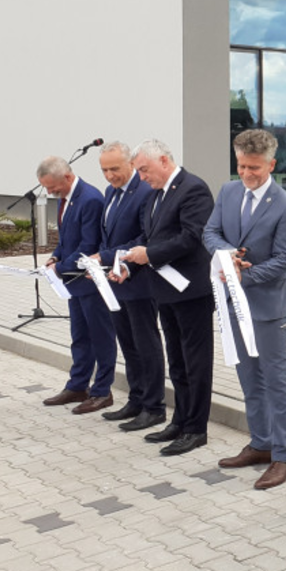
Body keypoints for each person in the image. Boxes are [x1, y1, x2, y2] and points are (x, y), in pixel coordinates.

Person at [204, 129, 286, 490]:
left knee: (276, 380)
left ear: (271, 165)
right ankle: (261, 444)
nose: (246, 173)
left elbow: (285, 259)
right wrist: (227, 255)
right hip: (232, 303)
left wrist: (245, 276)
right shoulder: (228, 191)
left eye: (254, 168)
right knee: (248, 377)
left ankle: (284, 456)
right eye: (242, 166)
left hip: (267, 307)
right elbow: (210, 232)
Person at [115, 139, 214, 457]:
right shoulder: (155, 194)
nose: (142, 177)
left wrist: (150, 255)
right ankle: (180, 420)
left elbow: (191, 237)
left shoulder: (193, 189)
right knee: (177, 361)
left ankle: (196, 428)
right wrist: (129, 265)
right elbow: (148, 237)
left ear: (163, 160)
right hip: (165, 290)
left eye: (145, 170)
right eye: (139, 172)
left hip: (192, 292)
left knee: (196, 362)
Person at [94, 142, 166, 432]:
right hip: (116, 281)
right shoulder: (111, 192)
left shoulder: (145, 191)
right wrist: (99, 263)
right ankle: (136, 399)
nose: (109, 175)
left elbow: (144, 237)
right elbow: (107, 235)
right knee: (127, 343)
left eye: (115, 169)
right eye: (104, 170)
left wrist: (107, 257)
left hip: (140, 281)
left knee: (145, 345)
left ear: (131, 164)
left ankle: (154, 406)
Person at [38, 156, 113, 414]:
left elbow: (88, 245)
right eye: (46, 187)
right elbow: (66, 238)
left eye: (52, 187)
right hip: (74, 282)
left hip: (91, 282)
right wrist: (55, 257)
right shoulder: (66, 198)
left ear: (68, 177)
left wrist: (59, 268)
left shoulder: (90, 199)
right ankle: (78, 385)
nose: (50, 192)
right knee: (79, 337)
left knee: (100, 337)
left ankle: (102, 391)